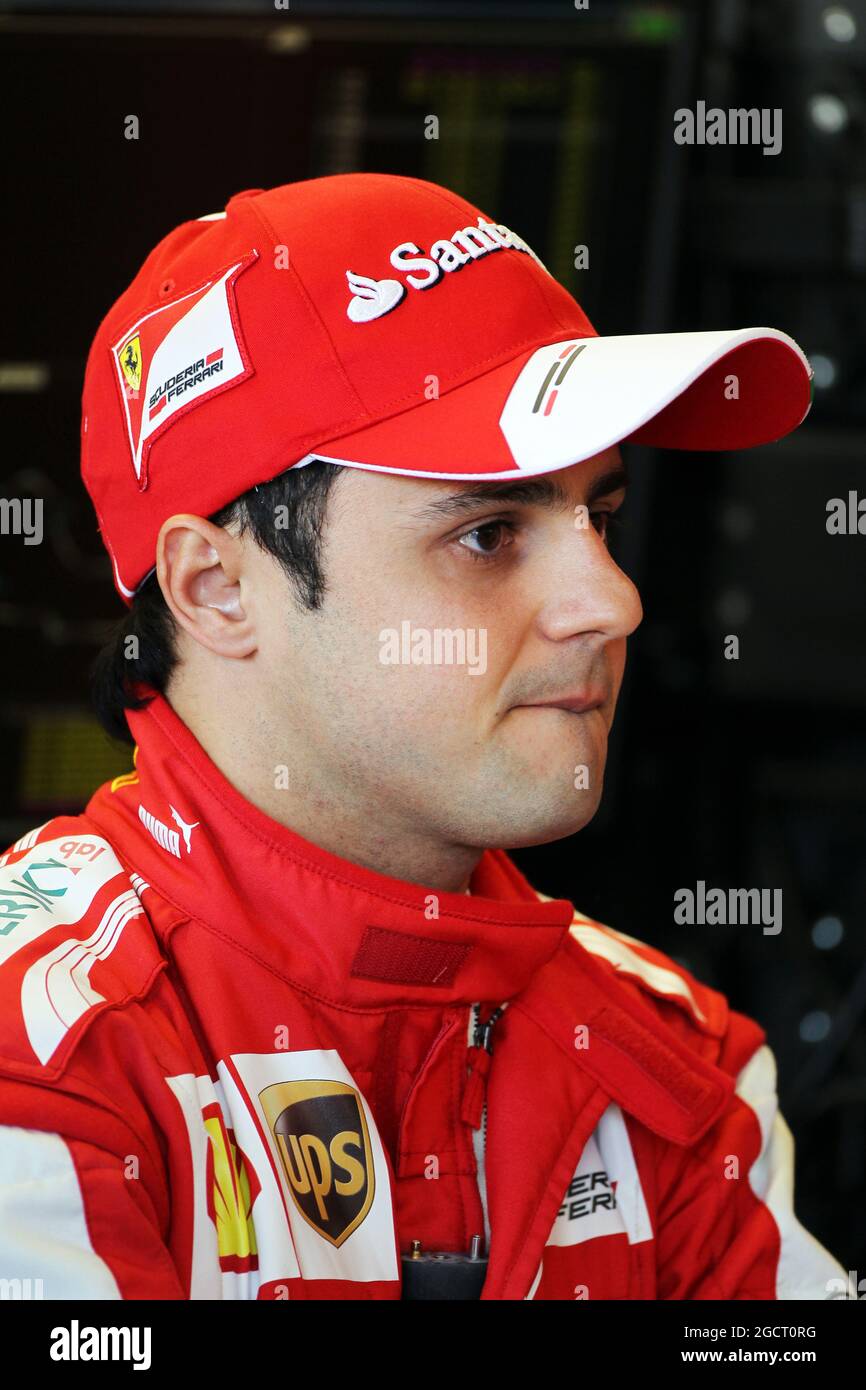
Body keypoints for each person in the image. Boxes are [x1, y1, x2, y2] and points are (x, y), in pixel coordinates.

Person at [0, 174, 846, 1300]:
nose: (611, 601)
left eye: (597, 514)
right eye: (488, 531)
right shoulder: (44, 1058)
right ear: (215, 589)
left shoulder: (676, 1066)